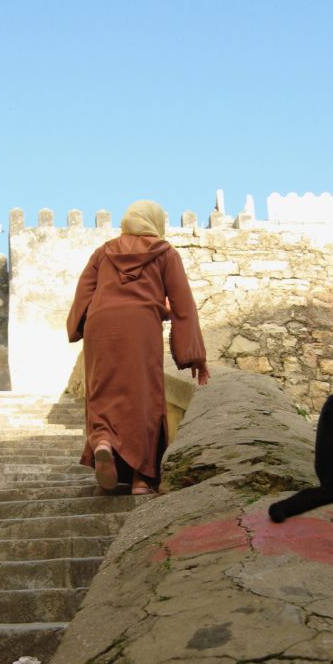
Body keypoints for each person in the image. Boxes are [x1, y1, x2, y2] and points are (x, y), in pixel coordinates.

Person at [67, 199, 209, 495]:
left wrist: (78, 326)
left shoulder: (103, 252)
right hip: (141, 325)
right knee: (143, 396)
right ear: (155, 222)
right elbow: (183, 304)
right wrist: (194, 355)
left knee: (103, 391)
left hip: (101, 325)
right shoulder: (165, 252)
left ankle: (103, 440)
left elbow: (84, 293)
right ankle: (141, 479)